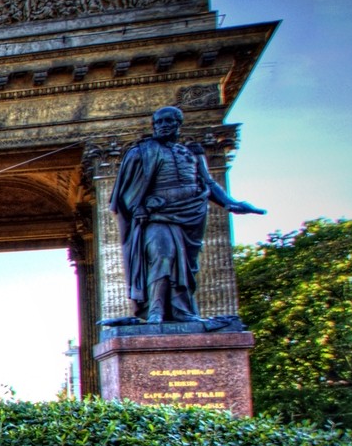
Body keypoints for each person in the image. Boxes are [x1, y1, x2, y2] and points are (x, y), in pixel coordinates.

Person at [110, 105, 265, 324]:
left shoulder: (192, 152)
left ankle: (182, 311)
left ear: (178, 125)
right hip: (158, 215)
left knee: (184, 267)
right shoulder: (140, 152)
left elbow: (207, 183)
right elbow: (124, 193)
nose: (163, 126)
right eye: (159, 122)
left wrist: (230, 203)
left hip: (190, 214)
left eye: (169, 122)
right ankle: (155, 311)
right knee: (163, 255)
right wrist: (140, 207)